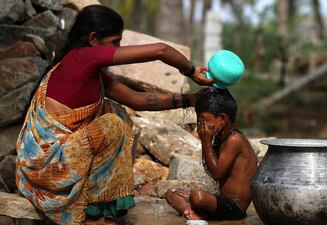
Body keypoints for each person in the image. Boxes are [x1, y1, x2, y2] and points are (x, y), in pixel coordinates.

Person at [15, 5, 214, 225]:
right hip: (47, 170)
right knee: (112, 124)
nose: (118, 49)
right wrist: (191, 70)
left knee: (114, 110)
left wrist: (190, 100)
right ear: (93, 39)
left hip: (61, 163)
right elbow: (161, 50)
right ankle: (96, 216)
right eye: (115, 42)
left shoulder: (91, 72)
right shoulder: (81, 60)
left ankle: (100, 208)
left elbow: (138, 100)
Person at [165, 87, 258, 221]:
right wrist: (208, 142)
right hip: (220, 203)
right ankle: (191, 213)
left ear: (222, 119)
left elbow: (216, 173)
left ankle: (197, 214)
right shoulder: (220, 138)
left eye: (202, 119)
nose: (199, 124)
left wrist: (206, 142)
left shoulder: (235, 140)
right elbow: (208, 167)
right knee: (171, 193)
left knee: (198, 197)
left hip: (234, 207)